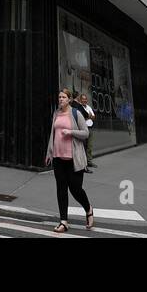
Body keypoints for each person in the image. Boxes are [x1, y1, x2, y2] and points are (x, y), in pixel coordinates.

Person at [45, 89, 93, 233]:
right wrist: (49, 153)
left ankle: (88, 209)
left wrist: (71, 132)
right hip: (58, 158)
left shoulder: (75, 114)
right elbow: (52, 134)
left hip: (74, 159)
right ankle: (63, 221)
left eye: (63, 97)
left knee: (76, 189)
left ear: (69, 99)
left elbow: (86, 133)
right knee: (61, 189)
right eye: (59, 97)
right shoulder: (56, 114)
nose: (60, 99)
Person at [76, 93, 98, 170]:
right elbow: (82, 118)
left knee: (89, 146)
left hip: (90, 128)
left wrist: (89, 117)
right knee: (83, 146)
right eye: (83, 99)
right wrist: (89, 116)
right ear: (80, 100)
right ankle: (83, 163)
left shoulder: (88, 107)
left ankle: (89, 162)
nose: (84, 100)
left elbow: (93, 117)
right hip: (83, 128)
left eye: (85, 99)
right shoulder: (79, 108)